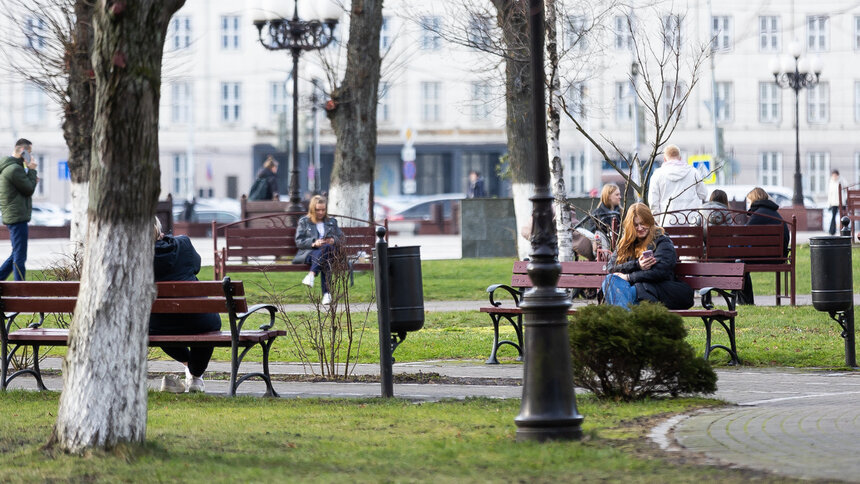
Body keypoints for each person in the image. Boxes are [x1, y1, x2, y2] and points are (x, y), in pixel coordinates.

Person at [150, 217, 221, 393]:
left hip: (157, 322)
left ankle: (192, 369)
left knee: (158, 326)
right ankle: (195, 375)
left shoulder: (134, 257)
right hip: (198, 318)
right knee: (208, 324)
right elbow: (196, 266)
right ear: (159, 231)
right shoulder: (183, 244)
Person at [603, 203, 694, 310]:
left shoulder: (662, 241)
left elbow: (660, 272)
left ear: (649, 221)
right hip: (631, 289)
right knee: (610, 279)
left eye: (643, 223)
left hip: (652, 291)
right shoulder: (625, 243)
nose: (640, 228)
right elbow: (610, 268)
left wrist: (628, 277)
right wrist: (637, 265)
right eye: (635, 225)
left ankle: (624, 323)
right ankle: (627, 321)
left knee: (614, 288)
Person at [736, 187, 790, 305]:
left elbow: (743, 236)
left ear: (754, 200)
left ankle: (745, 302)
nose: (748, 205)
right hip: (779, 257)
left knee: (739, 264)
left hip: (766, 257)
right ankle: (745, 301)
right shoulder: (773, 213)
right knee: (740, 262)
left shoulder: (758, 214)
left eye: (749, 202)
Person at [0, 139, 39, 281]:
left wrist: (30, 176)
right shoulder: (14, 169)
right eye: (29, 153)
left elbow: (25, 186)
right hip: (17, 217)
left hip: (14, 215)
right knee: (20, 256)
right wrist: (33, 170)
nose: (31, 156)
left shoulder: (12, 167)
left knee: (16, 253)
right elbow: (28, 189)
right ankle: (20, 288)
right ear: (22, 150)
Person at [295, 195, 343, 306]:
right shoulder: (304, 222)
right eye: (317, 210)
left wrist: (333, 240)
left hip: (328, 253)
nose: (321, 212)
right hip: (310, 253)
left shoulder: (331, 221)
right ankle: (327, 294)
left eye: (323, 209)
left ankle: (311, 275)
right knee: (326, 255)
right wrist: (313, 243)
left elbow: (341, 238)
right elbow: (299, 241)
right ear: (312, 209)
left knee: (327, 251)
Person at [647, 144, 706, 225]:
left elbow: (653, 202)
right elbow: (703, 195)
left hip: (667, 223)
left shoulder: (657, 175)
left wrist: (659, 221)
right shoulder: (693, 172)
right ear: (680, 158)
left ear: (664, 159)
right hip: (691, 222)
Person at [827, 169, 846, 235]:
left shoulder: (841, 181)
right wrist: (829, 203)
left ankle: (844, 230)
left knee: (843, 217)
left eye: (835, 175)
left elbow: (844, 192)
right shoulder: (831, 182)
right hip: (834, 203)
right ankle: (832, 231)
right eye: (833, 175)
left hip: (841, 202)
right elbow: (830, 194)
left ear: (838, 175)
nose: (834, 177)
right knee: (833, 216)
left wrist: (844, 201)